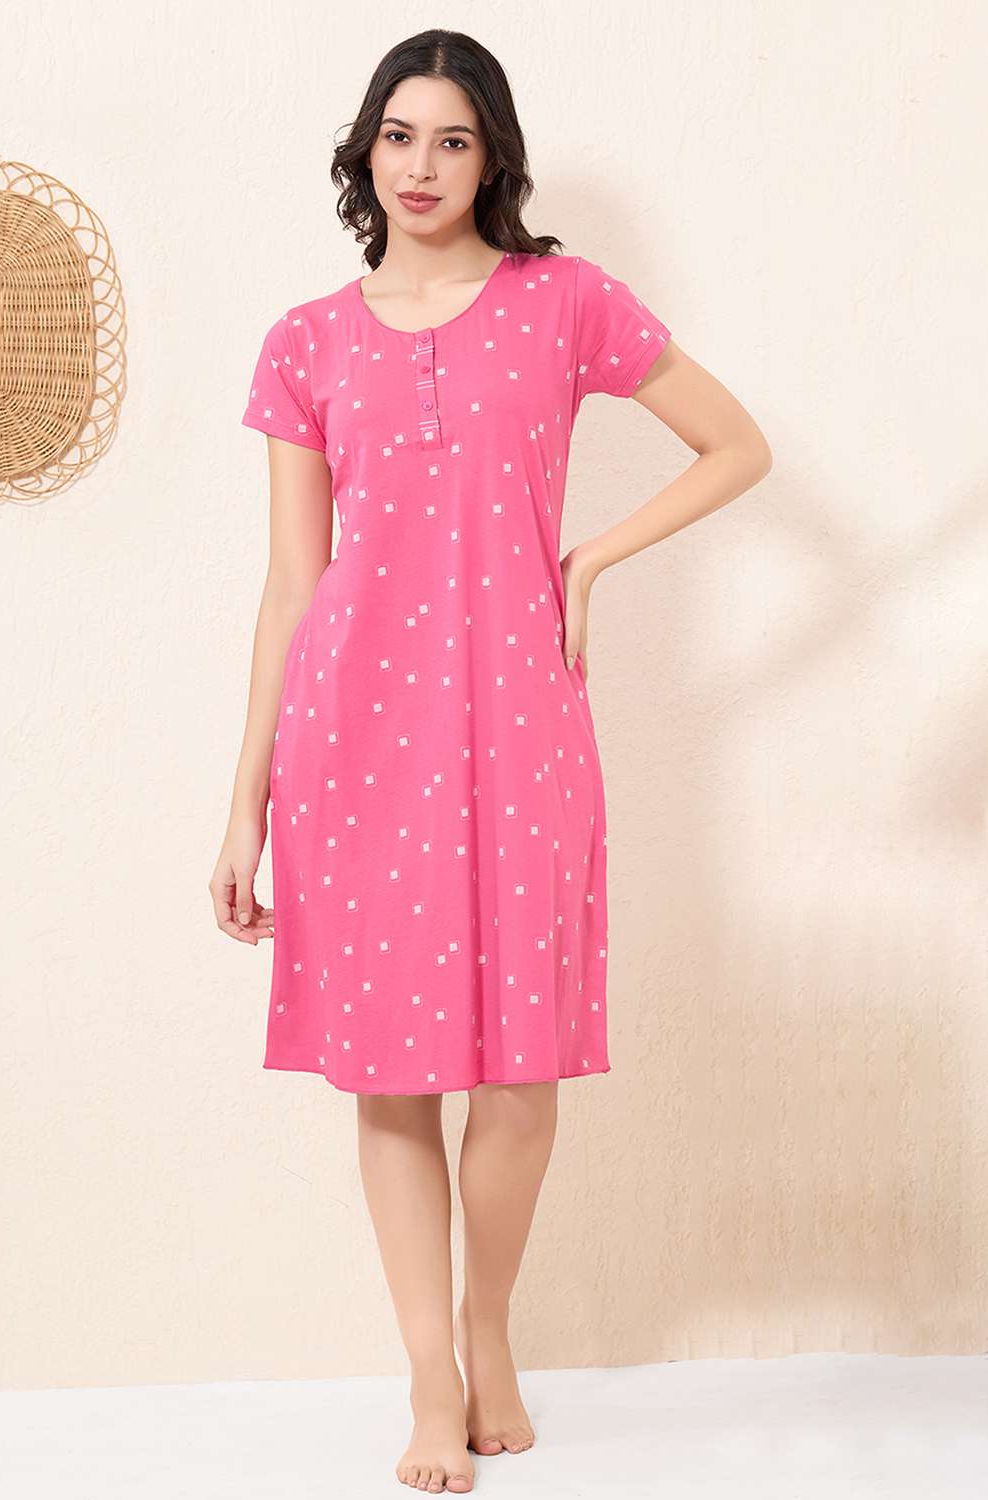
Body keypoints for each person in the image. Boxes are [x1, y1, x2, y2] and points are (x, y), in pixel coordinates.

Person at [212, 28, 771, 1496]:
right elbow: (291, 585)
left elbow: (736, 447)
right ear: (365, 149)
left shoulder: (564, 303)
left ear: (491, 157)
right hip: (351, 743)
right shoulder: (305, 341)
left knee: (519, 1075)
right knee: (391, 1076)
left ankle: (486, 1330)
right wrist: (243, 806)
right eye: (398, 136)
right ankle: (426, 1376)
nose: (420, 166)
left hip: (522, 727)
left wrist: (590, 557)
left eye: (451, 140)